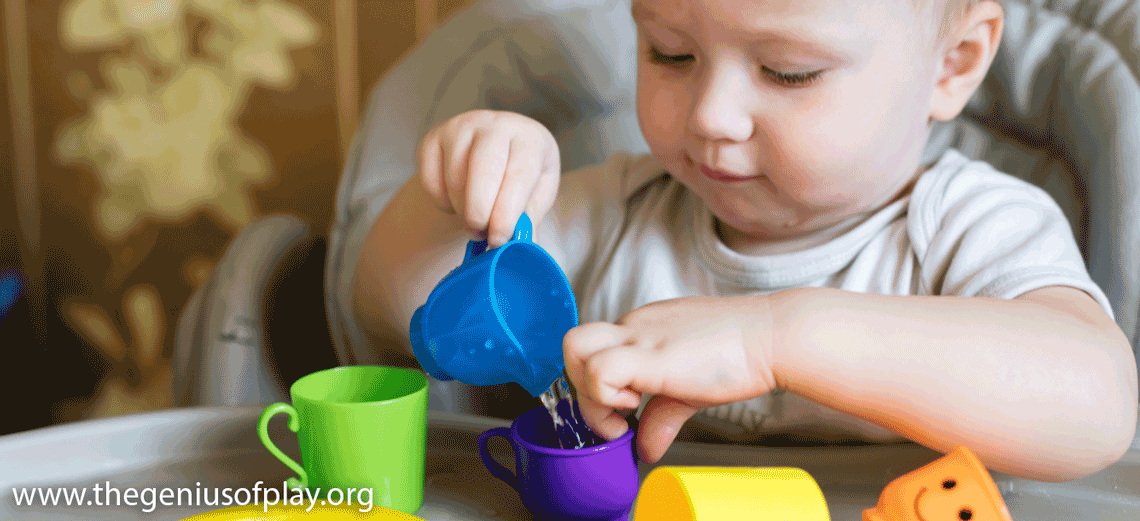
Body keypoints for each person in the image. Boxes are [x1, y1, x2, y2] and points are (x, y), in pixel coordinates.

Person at [351, 0, 1137, 482]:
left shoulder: (973, 224)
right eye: (671, 53)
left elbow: (1098, 403)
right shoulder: (621, 211)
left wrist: (778, 336)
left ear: (953, 65)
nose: (710, 116)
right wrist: (465, 191)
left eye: (789, 71)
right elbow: (396, 308)